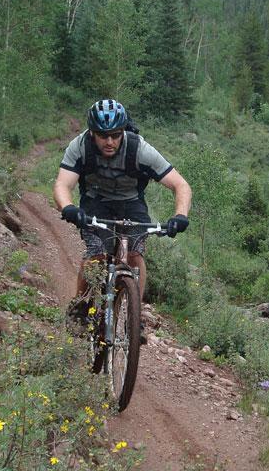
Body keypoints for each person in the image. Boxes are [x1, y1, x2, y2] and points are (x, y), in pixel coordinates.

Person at [53, 99, 191, 337]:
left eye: (116, 135)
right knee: (96, 252)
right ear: (93, 133)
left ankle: (135, 314)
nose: (109, 141)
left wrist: (180, 215)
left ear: (123, 131)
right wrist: (69, 208)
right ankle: (81, 305)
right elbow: (62, 184)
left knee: (135, 254)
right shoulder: (80, 146)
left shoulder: (139, 148)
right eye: (103, 135)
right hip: (96, 202)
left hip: (131, 204)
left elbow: (180, 184)